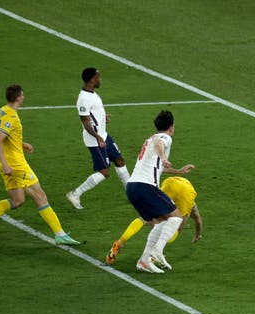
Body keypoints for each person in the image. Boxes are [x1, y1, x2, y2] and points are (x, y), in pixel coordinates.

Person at [0, 85, 80, 245]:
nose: (24, 97)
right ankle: (60, 234)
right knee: (41, 196)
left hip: (8, 162)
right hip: (16, 165)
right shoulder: (12, 117)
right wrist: (6, 164)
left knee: (18, 200)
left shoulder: (2, 110)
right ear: (19, 97)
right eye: (22, 95)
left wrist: (21, 144)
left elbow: (7, 138)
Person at [126, 110, 194, 273]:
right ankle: (157, 251)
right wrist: (164, 157)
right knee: (176, 218)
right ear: (171, 127)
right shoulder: (164, 138)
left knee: (163, 221)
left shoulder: (149, 139)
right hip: (145, 186)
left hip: (132, 187)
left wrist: (178, 171)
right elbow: (160, 145)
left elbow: (157, 168)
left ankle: (144, 261)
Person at [66, 67, 130, 209]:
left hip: (103, 135)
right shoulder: (83, 98)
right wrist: (97, 137)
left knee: (119, 160)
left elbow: (93, 115)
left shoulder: (92, 94)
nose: (100, 79)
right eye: (98, 77)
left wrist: (102, 118)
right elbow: (84, 121)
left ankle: (132, 194)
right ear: (92, 79)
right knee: (104, 171)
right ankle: (75, 194)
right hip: (95, 139)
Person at [106, 176, 202, 265]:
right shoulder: (192, 205)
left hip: (171, 182)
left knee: (146, 216)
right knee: (173, 230)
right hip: (187, 192)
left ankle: (120, 242)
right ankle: (153, 255)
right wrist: (198, 234)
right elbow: (198, 219)